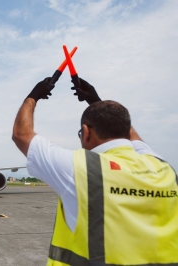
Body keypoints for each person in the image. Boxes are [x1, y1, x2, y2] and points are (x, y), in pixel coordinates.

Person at [12, 77, 178, 265]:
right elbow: (133, 138)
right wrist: (96, 101)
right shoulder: (163, 167)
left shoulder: (80, 168)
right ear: (125, 130)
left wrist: (33, 96)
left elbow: (21, 134)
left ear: (86, 132)